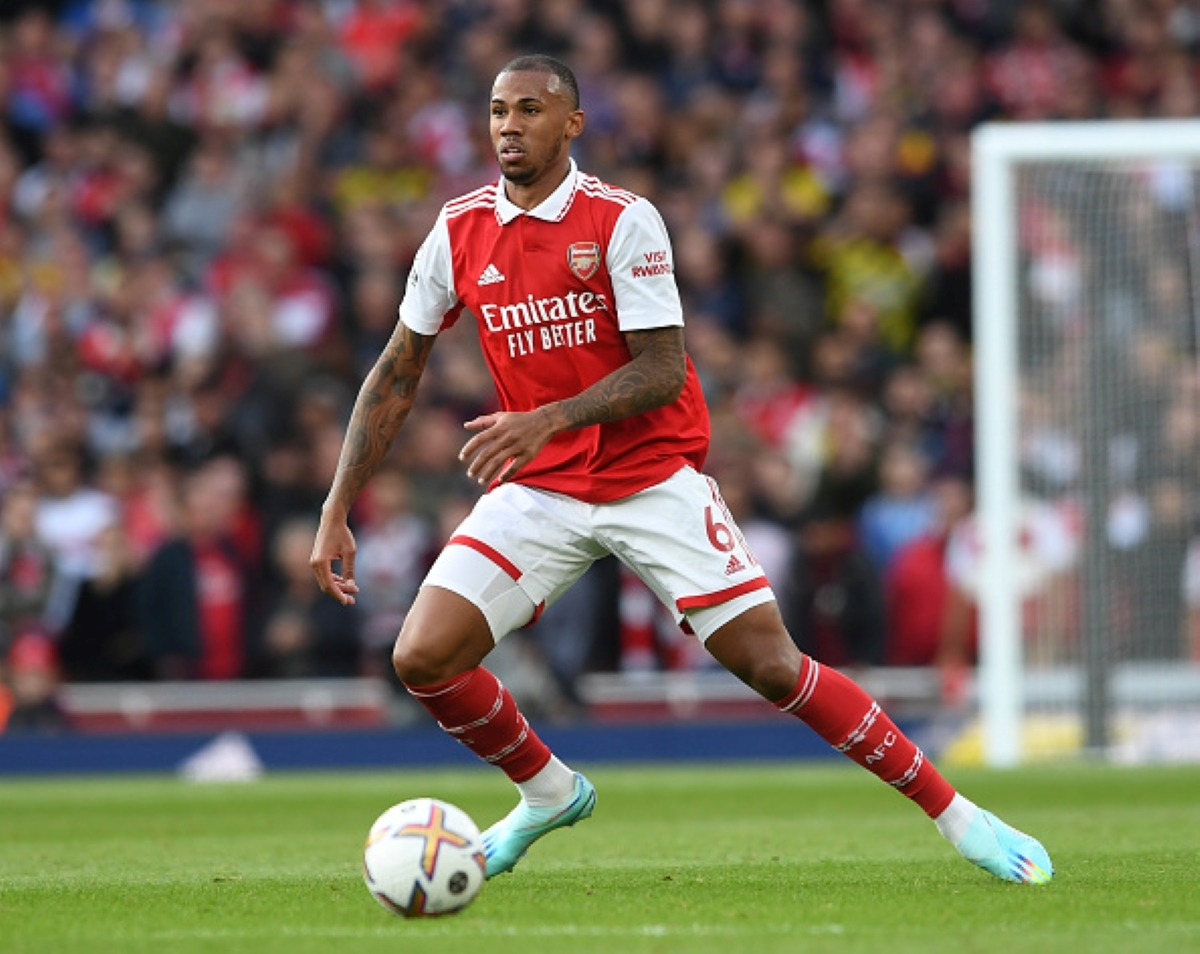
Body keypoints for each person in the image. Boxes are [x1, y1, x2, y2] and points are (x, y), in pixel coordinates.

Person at [311, 55, 1053, 886]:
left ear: (571, 125)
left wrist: (547, 418)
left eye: (529, 109)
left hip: (649, 477)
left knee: (772, 665)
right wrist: (339, 501)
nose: (509, 126)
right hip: (542, 486)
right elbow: (396, 371)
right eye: (496, 110)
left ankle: (960, 815)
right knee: (422, 657)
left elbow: (662, 369)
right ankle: (549, 792)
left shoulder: (623, 220)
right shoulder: (457, 232)